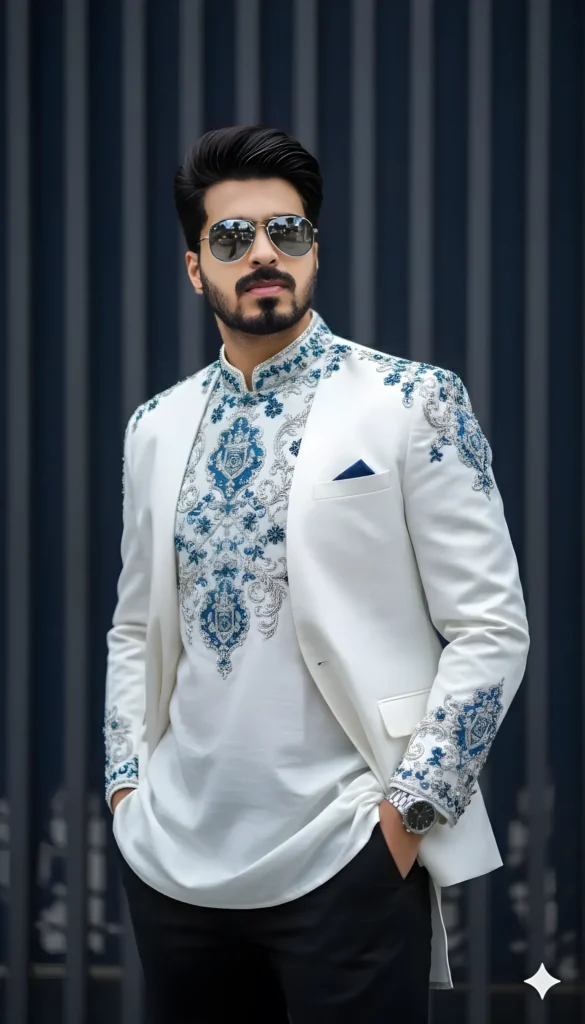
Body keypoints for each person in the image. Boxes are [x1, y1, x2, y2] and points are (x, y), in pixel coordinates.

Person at [104, 124, 530, 1023]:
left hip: (347, 856)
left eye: (286, 233)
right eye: (232, 237)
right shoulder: (155, 425)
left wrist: (408, 816)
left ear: (312, 249)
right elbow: (136, 626)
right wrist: (125, 792)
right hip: (174, 862)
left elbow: (491, 629)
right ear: (195, 268)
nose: (262, 253)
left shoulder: (410, 402)